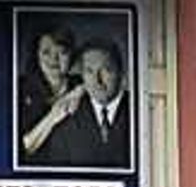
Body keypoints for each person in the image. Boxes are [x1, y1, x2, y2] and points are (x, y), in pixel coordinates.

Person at [36, 40, 131, 171]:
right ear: (82, 76)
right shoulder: (66, 118)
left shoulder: (144, 111)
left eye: (106, 70)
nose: (97, 80)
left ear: (121, 74)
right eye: (89, 71)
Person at [16, 27, 86, 160]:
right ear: (36, 55)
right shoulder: (19, 88)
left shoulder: (83, 85)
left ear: (72, 56)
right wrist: (54, 114)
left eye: (62, 52)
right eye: (46, 52)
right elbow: (21, 150)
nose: (54, 59)